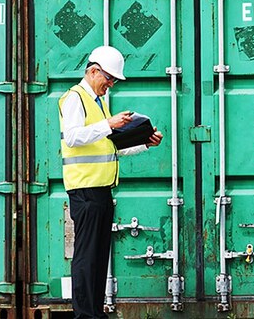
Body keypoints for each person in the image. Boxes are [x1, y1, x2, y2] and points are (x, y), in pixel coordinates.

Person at [59, 45, 163, 319]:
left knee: (98, 257)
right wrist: (110, 124)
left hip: (101, 190)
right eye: (109, 79)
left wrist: (144, 143)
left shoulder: (98, 103)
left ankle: (95, 313)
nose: (111, 85)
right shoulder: (75, 99)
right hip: (84, 190)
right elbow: (72, 137)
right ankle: (85, 315)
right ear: (94, 72)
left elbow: (110, 146)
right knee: (86, 257)